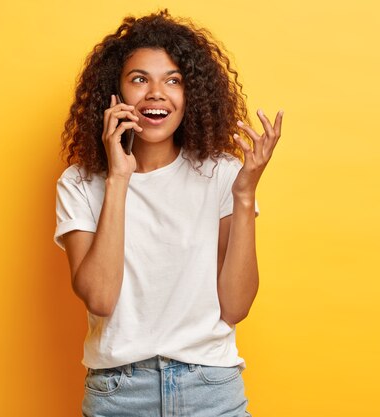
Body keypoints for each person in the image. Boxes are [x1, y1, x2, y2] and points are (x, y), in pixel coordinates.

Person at [53, 10, 283, 417]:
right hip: (118, 393)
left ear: (190, 95)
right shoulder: (81, 182)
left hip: (211, 388)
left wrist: (244, 195)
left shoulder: (222, 175)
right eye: (139, 79)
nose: (156, 92)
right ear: (115, 93)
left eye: (173, 80)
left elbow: (235, 307)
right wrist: (119, 179)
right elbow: (101, 298)